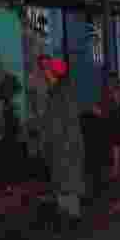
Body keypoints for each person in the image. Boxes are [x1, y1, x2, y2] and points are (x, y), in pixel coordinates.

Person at [37, 56, 87, 228]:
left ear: (52, 73)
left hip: (65, 146)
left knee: (67, 185)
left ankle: (71, 220)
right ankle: (68, 219)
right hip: (64, 145)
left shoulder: (61, 93)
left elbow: (60, 122)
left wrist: (51, 142)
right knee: (63, 184)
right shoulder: (60, 91)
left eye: (46, 70)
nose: (44, 73)